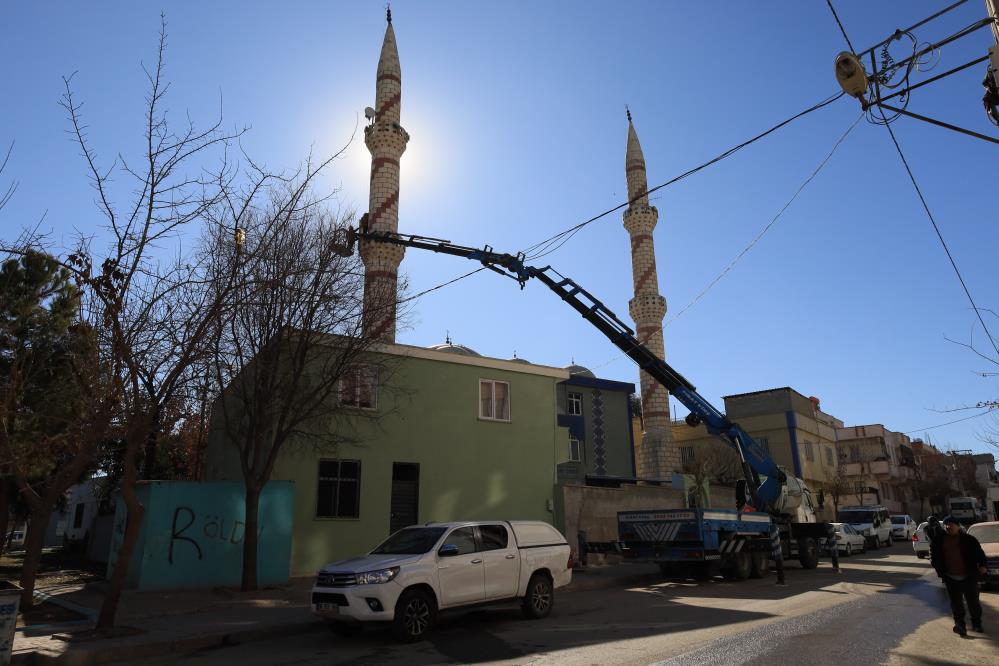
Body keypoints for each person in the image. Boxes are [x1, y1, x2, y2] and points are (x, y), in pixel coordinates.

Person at [929, 515, 988, 636]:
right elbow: (934, 556)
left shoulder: (969, 540)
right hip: (950, 577)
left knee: (973, 603)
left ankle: (976, 623)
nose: (948, 526)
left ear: (958, 526)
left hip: (969, 576)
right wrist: (939, 569)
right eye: (946, 524)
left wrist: (982, 565)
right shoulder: (939, 541)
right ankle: (960, 625)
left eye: (951, 524)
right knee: (956, 604)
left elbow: (980, 554)